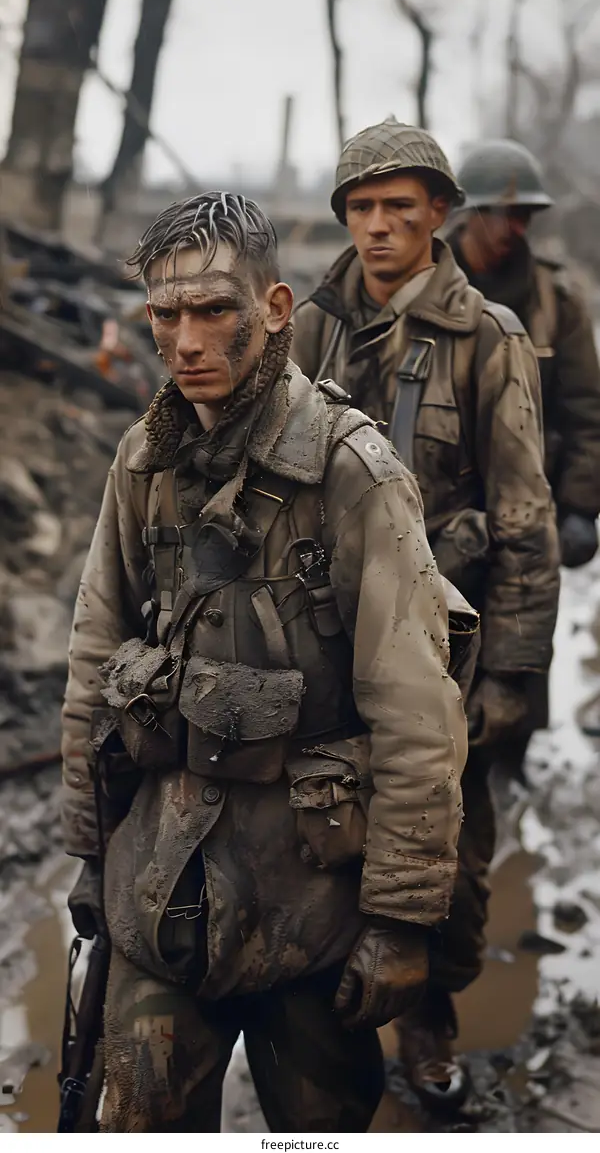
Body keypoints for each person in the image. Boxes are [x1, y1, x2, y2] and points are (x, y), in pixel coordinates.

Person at [61, 191, 469, 1133]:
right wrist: (89, 852)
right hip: (160, 892)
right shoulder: (143, 464)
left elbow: (417, 712)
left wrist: (402, 920)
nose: (187, 340)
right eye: (166, 314)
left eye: (216, 311)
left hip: (313, 909)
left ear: (275, 309)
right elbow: (91, 665)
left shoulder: (352, 474)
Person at [291, 119, 560, 1109]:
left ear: (440, 216)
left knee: (451, 854)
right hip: (329, 644)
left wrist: (511, 675)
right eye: (360, 209)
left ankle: (430, 1014)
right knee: (322, 829)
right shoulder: (310, 326)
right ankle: (327, 1023)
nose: (377, 229)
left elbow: (525, 519)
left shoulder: (487, 336)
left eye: (399, 209)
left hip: (449, 653)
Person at [449, 139, 600, 751]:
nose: (517, 227)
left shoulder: (554, 300)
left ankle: (507, 769)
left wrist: (579, 507)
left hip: (526, 512)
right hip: (443, 505)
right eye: (504, 213)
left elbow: (587, 412)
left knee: (517, 661)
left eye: (525, 216)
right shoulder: (429, 286)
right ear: (469, 214)